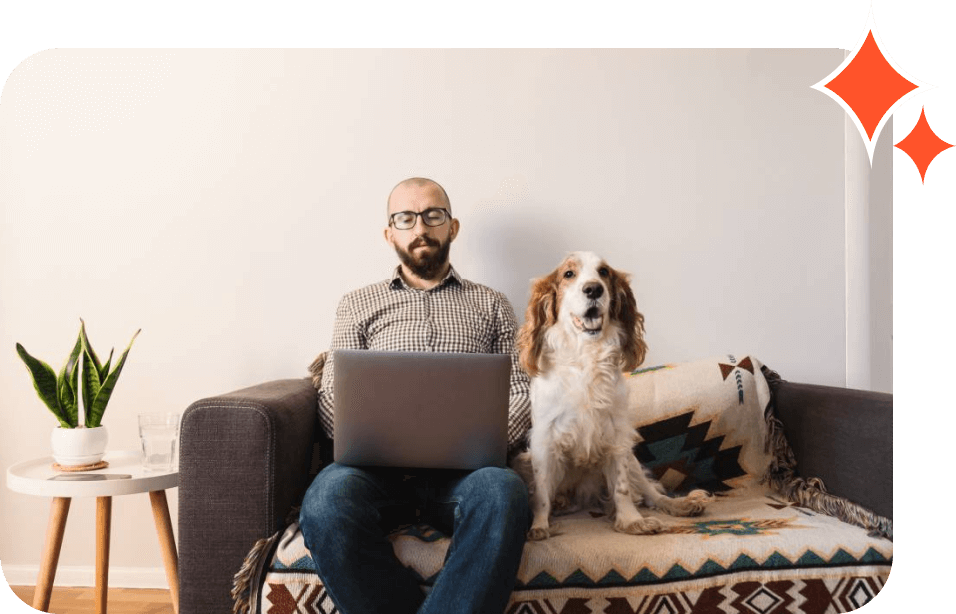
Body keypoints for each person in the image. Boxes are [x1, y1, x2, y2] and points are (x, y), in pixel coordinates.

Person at [298, 177, 532, 614]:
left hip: (466, 474)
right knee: (326, 501)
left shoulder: (492, 304)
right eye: (405, 218)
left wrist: (485, 437)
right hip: (373, 472)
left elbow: (520, 390)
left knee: (505, 493)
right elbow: (331, 396)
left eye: (433, 215)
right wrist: (368, 430)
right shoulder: (357, 304)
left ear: (453, 227)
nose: (420, 227)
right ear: (390, 233)